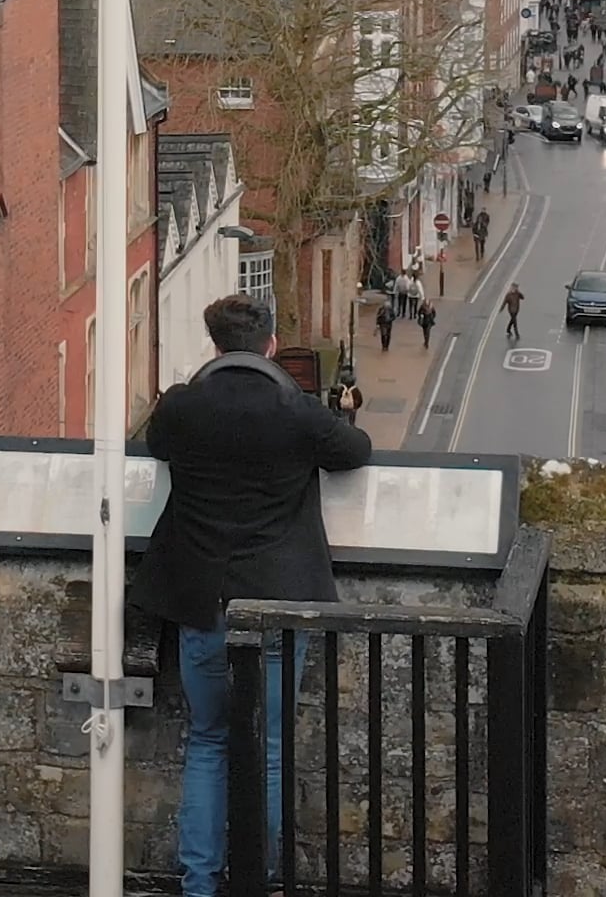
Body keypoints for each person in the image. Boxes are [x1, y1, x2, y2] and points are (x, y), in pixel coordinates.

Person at [131, 294, 371, 897]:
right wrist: (341, 411)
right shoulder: (296, 412)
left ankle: (201, 883)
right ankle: (257, 877)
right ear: (269, 344)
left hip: (204, 601)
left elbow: (155, 445)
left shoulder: (183, 407)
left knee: (208, 740)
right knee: (266, 748)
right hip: (278, 603)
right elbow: (355, 452)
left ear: (216, 346)